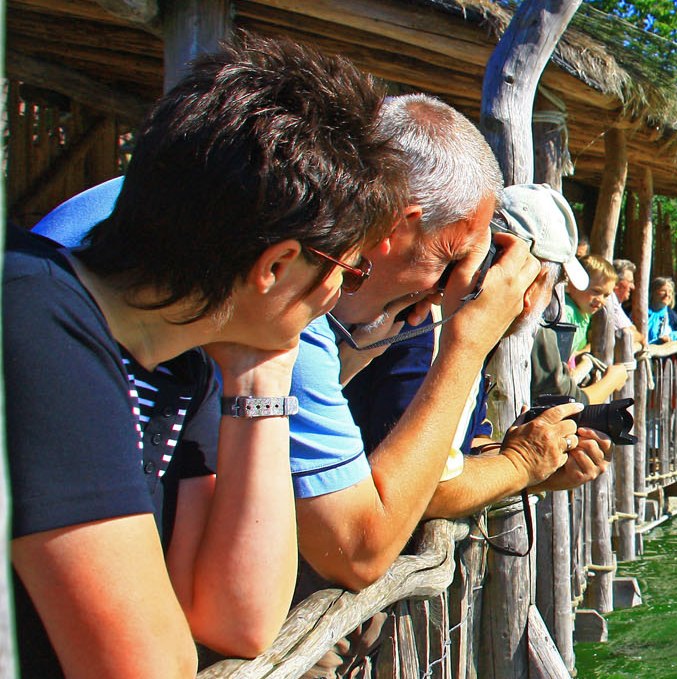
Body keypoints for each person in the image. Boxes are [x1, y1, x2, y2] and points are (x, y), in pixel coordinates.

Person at [5, 35, 406, 677]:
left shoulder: (185, 362)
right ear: (275, 265)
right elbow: (145, 668)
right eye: (349, 272)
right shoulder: (37, 322)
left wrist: (265, 370)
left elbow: (238, 618)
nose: (337, 296)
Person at [282, 93, 608, 592]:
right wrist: (518, 465)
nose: (442, 284)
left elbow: (453, 452)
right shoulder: (388, 322)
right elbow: (403, 502)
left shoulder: (372, 315)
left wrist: (534, 459)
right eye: (453, 254)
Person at [647, 276, 677, 344]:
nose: (667, 294)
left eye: (670, 292)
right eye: (663, 291)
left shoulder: (671, 315)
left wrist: (670, 336)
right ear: (653, 293)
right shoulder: (641, 311)